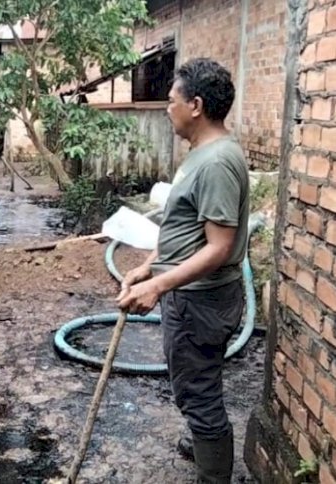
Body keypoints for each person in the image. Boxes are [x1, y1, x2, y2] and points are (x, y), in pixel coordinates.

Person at [117, 58, 248, 484]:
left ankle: (213, 470)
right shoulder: (202, 155)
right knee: (194, 377)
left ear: (195, 105)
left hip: (202, 299)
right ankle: (202, 440)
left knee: (198, 388)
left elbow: (220, 247)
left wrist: (159, 285)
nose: (165, 108)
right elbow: (187, 230)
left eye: (171, 101)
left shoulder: (214, 164)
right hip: (191, 295)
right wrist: (149, 266)